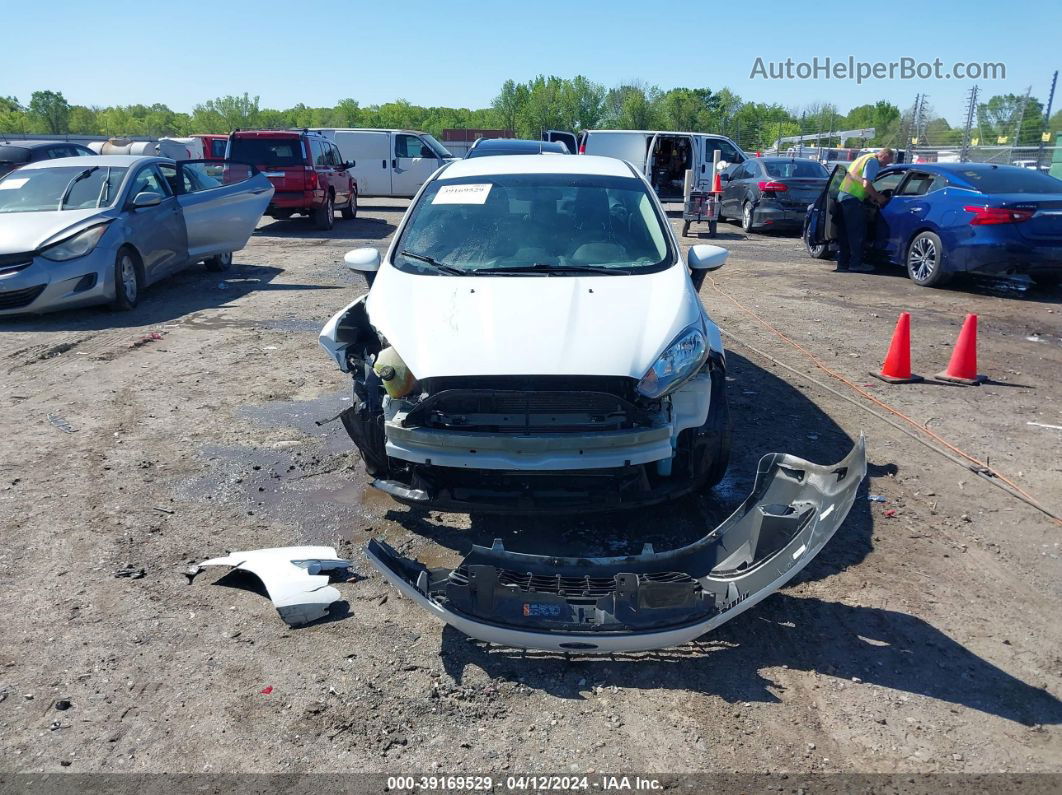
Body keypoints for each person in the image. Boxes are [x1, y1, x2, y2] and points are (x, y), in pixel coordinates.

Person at [834, 147, 894, 272]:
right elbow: (866, 184)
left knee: (845, 234)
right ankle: (856, 264)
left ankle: (843, 264)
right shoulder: (873, 162)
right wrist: (879, 197)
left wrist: (869, 197)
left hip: (843, 197)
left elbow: (858, 180)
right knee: (857, 235)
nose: (885, 165)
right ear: (884, 156)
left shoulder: (863, 158)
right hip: (853, 200)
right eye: (887, 162)